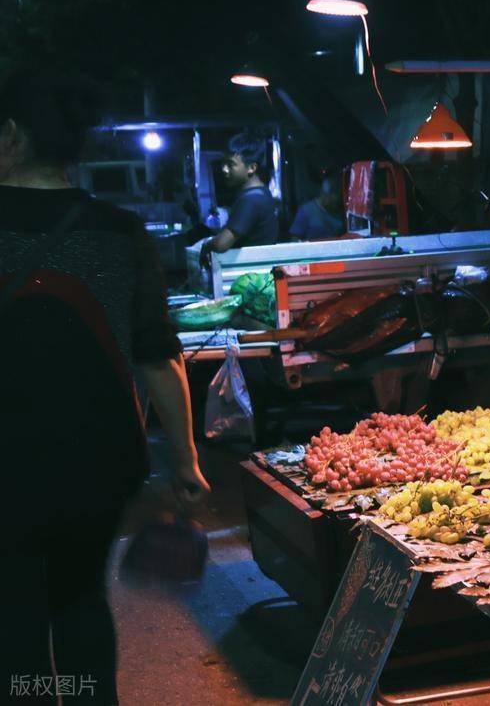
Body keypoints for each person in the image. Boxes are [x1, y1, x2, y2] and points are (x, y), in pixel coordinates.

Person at [0, 66, 211, 703]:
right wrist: (186, 464)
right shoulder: (121, 233)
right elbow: (159, 358)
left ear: (9, 135)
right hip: (99, 461)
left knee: (14, 616)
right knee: (81, 597)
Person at [200, 132, 280, 263]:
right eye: (223, 163)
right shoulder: (261, 192)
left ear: (252, 168)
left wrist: (206, 245)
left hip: (250, 275)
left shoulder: (251, 200)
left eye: (230, 165)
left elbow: (221, 244)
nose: (224, 169)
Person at [289, 172, 345, 241]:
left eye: (337, 202)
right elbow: (294, 238)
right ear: (324, 194)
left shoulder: (341, 211)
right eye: (333, 201)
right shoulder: (305, 210)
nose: (335, 205)